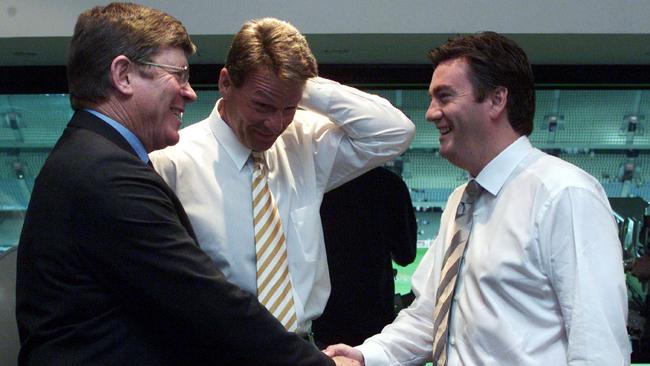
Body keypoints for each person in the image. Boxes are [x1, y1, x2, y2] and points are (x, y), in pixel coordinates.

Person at [15, 3, 358, 365]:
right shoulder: (107, 173)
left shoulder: (95, 157)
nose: (190, 92)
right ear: (124, 75)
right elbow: (203, 300)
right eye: (178, 75)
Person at [325, 32, 631, 365]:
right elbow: (430, 316)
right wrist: (364, 355)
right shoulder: (461, 200)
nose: (430, 113)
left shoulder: (564, 194)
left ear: (497, 100)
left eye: (444, 96)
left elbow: (598, 347)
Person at [149, 18, 415, 339]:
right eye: (262, 104)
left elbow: (394, 132)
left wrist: (305, 87)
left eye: (288, 108)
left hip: (300, 345)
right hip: (215, 349)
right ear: (226, 83)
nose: (274, 124)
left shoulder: (303, 143)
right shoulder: (170, 162)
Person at [312, 167, 417, 347]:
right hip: (375, 316)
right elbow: (406, 255)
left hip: (323, 317)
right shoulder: (389, 183)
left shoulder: (314, 180)